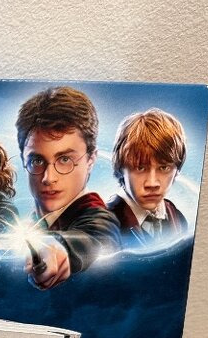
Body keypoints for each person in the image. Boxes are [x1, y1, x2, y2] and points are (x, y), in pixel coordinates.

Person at [16, 87, 120, 289]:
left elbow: (99, 238)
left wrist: (61, 248)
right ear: (23, 159)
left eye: (65, 159)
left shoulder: (100, 220)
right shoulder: (33, 223)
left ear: (91, 160)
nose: (48, 178)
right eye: (37, 160)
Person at [107, 109, 190, 246]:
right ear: (121, 168)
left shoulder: (177, 218)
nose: (152, 183)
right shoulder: (102, 225)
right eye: (140, 168)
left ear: (177, 170)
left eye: (164, 168)